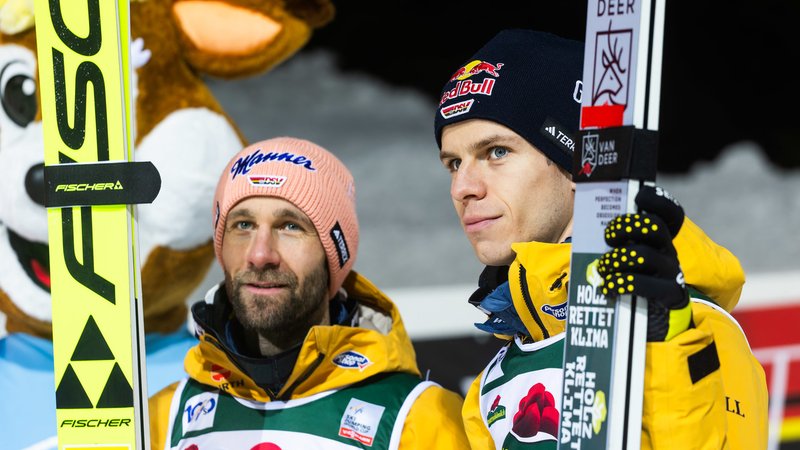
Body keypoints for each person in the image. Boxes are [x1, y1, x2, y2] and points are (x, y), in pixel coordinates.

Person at [433, 29, 768, 448]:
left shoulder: (688, 328)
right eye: (453, 163)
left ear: (579, 163)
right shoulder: (492, 384)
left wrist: (672, 346)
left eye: (496, 152)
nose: (462, 187)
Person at [148, 137, 468, 449]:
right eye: (243, 225)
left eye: (290, 226)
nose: (260, 254)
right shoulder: (161, 420)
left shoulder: (420, 418)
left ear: (334, 255)